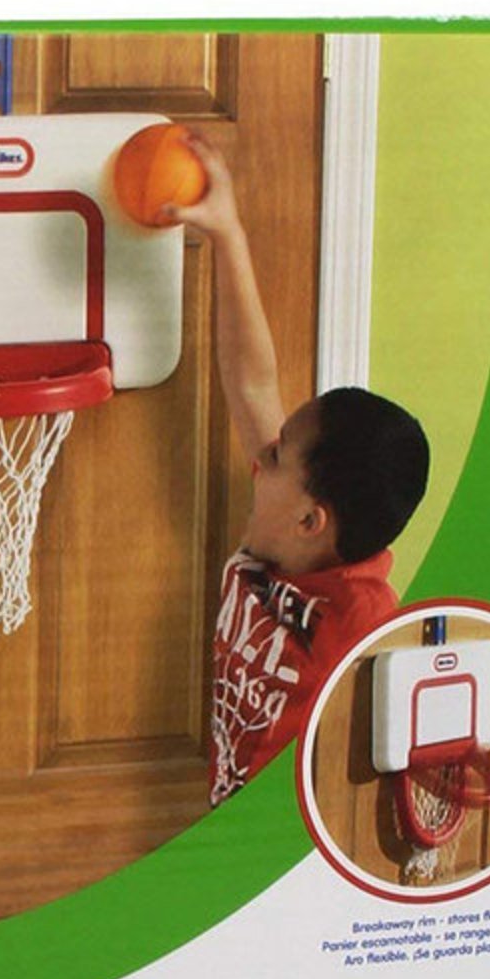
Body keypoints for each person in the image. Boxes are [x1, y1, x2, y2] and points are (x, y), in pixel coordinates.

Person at [167, 133, 430, 802]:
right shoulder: (288, 538)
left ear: (312, 519)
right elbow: (252, 381)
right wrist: (226, 233)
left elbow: (386, 760)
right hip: (228, 809)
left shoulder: (361, 621)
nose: (263, 454)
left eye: (278, 454)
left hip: (288, 842)